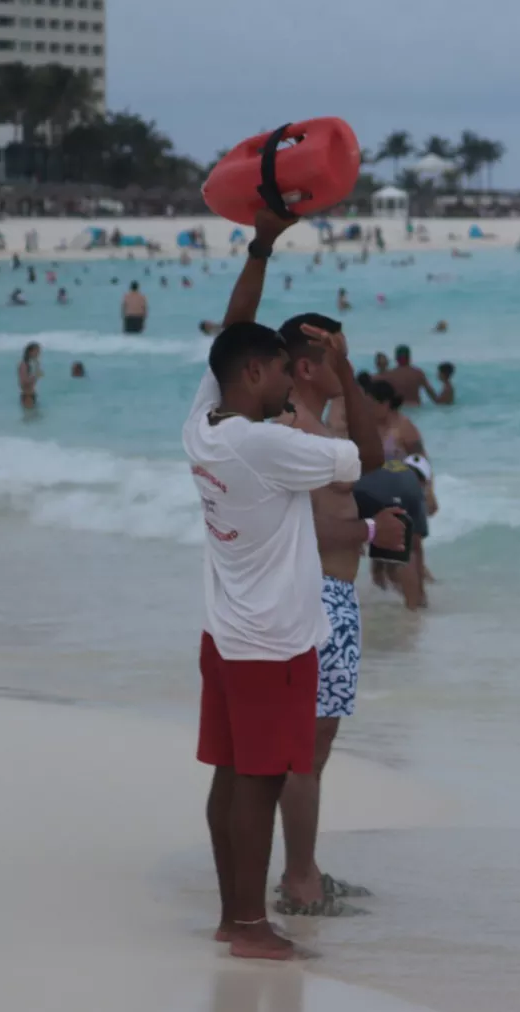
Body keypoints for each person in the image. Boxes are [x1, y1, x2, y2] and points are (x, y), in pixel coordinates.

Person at [184, 209, 385, 962]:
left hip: (226, 632)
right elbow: (366, 457)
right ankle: (248, 926)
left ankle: (230, 913)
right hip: (274, 641)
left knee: (231, 776)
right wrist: (352, 373)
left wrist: (261, 247)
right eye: (270, 368)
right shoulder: (267, 445)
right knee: (260, 786)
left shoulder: (202, 425)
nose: (279, 378)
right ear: (254, 375)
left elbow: (231, 332)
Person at [272, 312, 401, 916]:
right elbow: (295, 524)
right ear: (305, 366)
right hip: (314, 596)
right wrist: (372, 528)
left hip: (336, 598)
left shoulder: (321, 430)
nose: (341, 365)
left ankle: (305, 870)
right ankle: (299, 882)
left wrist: (347, 370)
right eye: (331, 356)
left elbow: (371, 457)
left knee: (316, 748)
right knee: (304, 747)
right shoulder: (287, 429)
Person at [355, 454, 433, 610]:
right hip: (398, 492)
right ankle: (414, 608)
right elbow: (416, 546)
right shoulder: (413, 486)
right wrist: (422, 591)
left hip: (358, 488)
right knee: (409, 550)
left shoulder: (391, 465)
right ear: (423, 481)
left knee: (365, 542)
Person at [18, 342, 43, 408]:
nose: (38, 353)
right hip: (27, 395)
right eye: (36, 351)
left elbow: (35, 379)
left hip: (32, 393)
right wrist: (35, 375)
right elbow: (24, 381)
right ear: (30, 352)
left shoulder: (34, 363)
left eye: (39, 351)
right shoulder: (24, 364)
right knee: (29, 416)